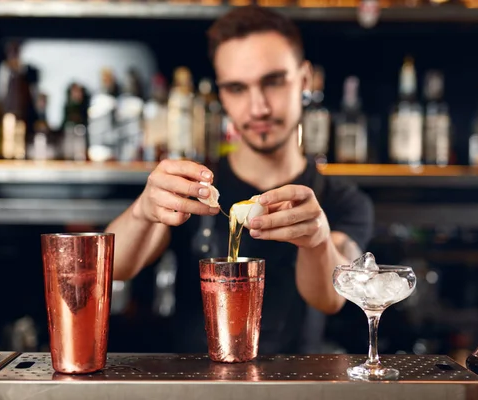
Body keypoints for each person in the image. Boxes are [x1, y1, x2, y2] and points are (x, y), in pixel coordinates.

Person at [105, 5, 374, 354]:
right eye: (237, 88)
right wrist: (144, 209)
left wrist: (319, 239)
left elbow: (330, 300)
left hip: (298, 385)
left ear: (305, 80)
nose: (258, 107)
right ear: (221, 93)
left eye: (273, 81)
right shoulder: (195, 187)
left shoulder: (341, 199)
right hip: (196, 386)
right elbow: (115, 268)